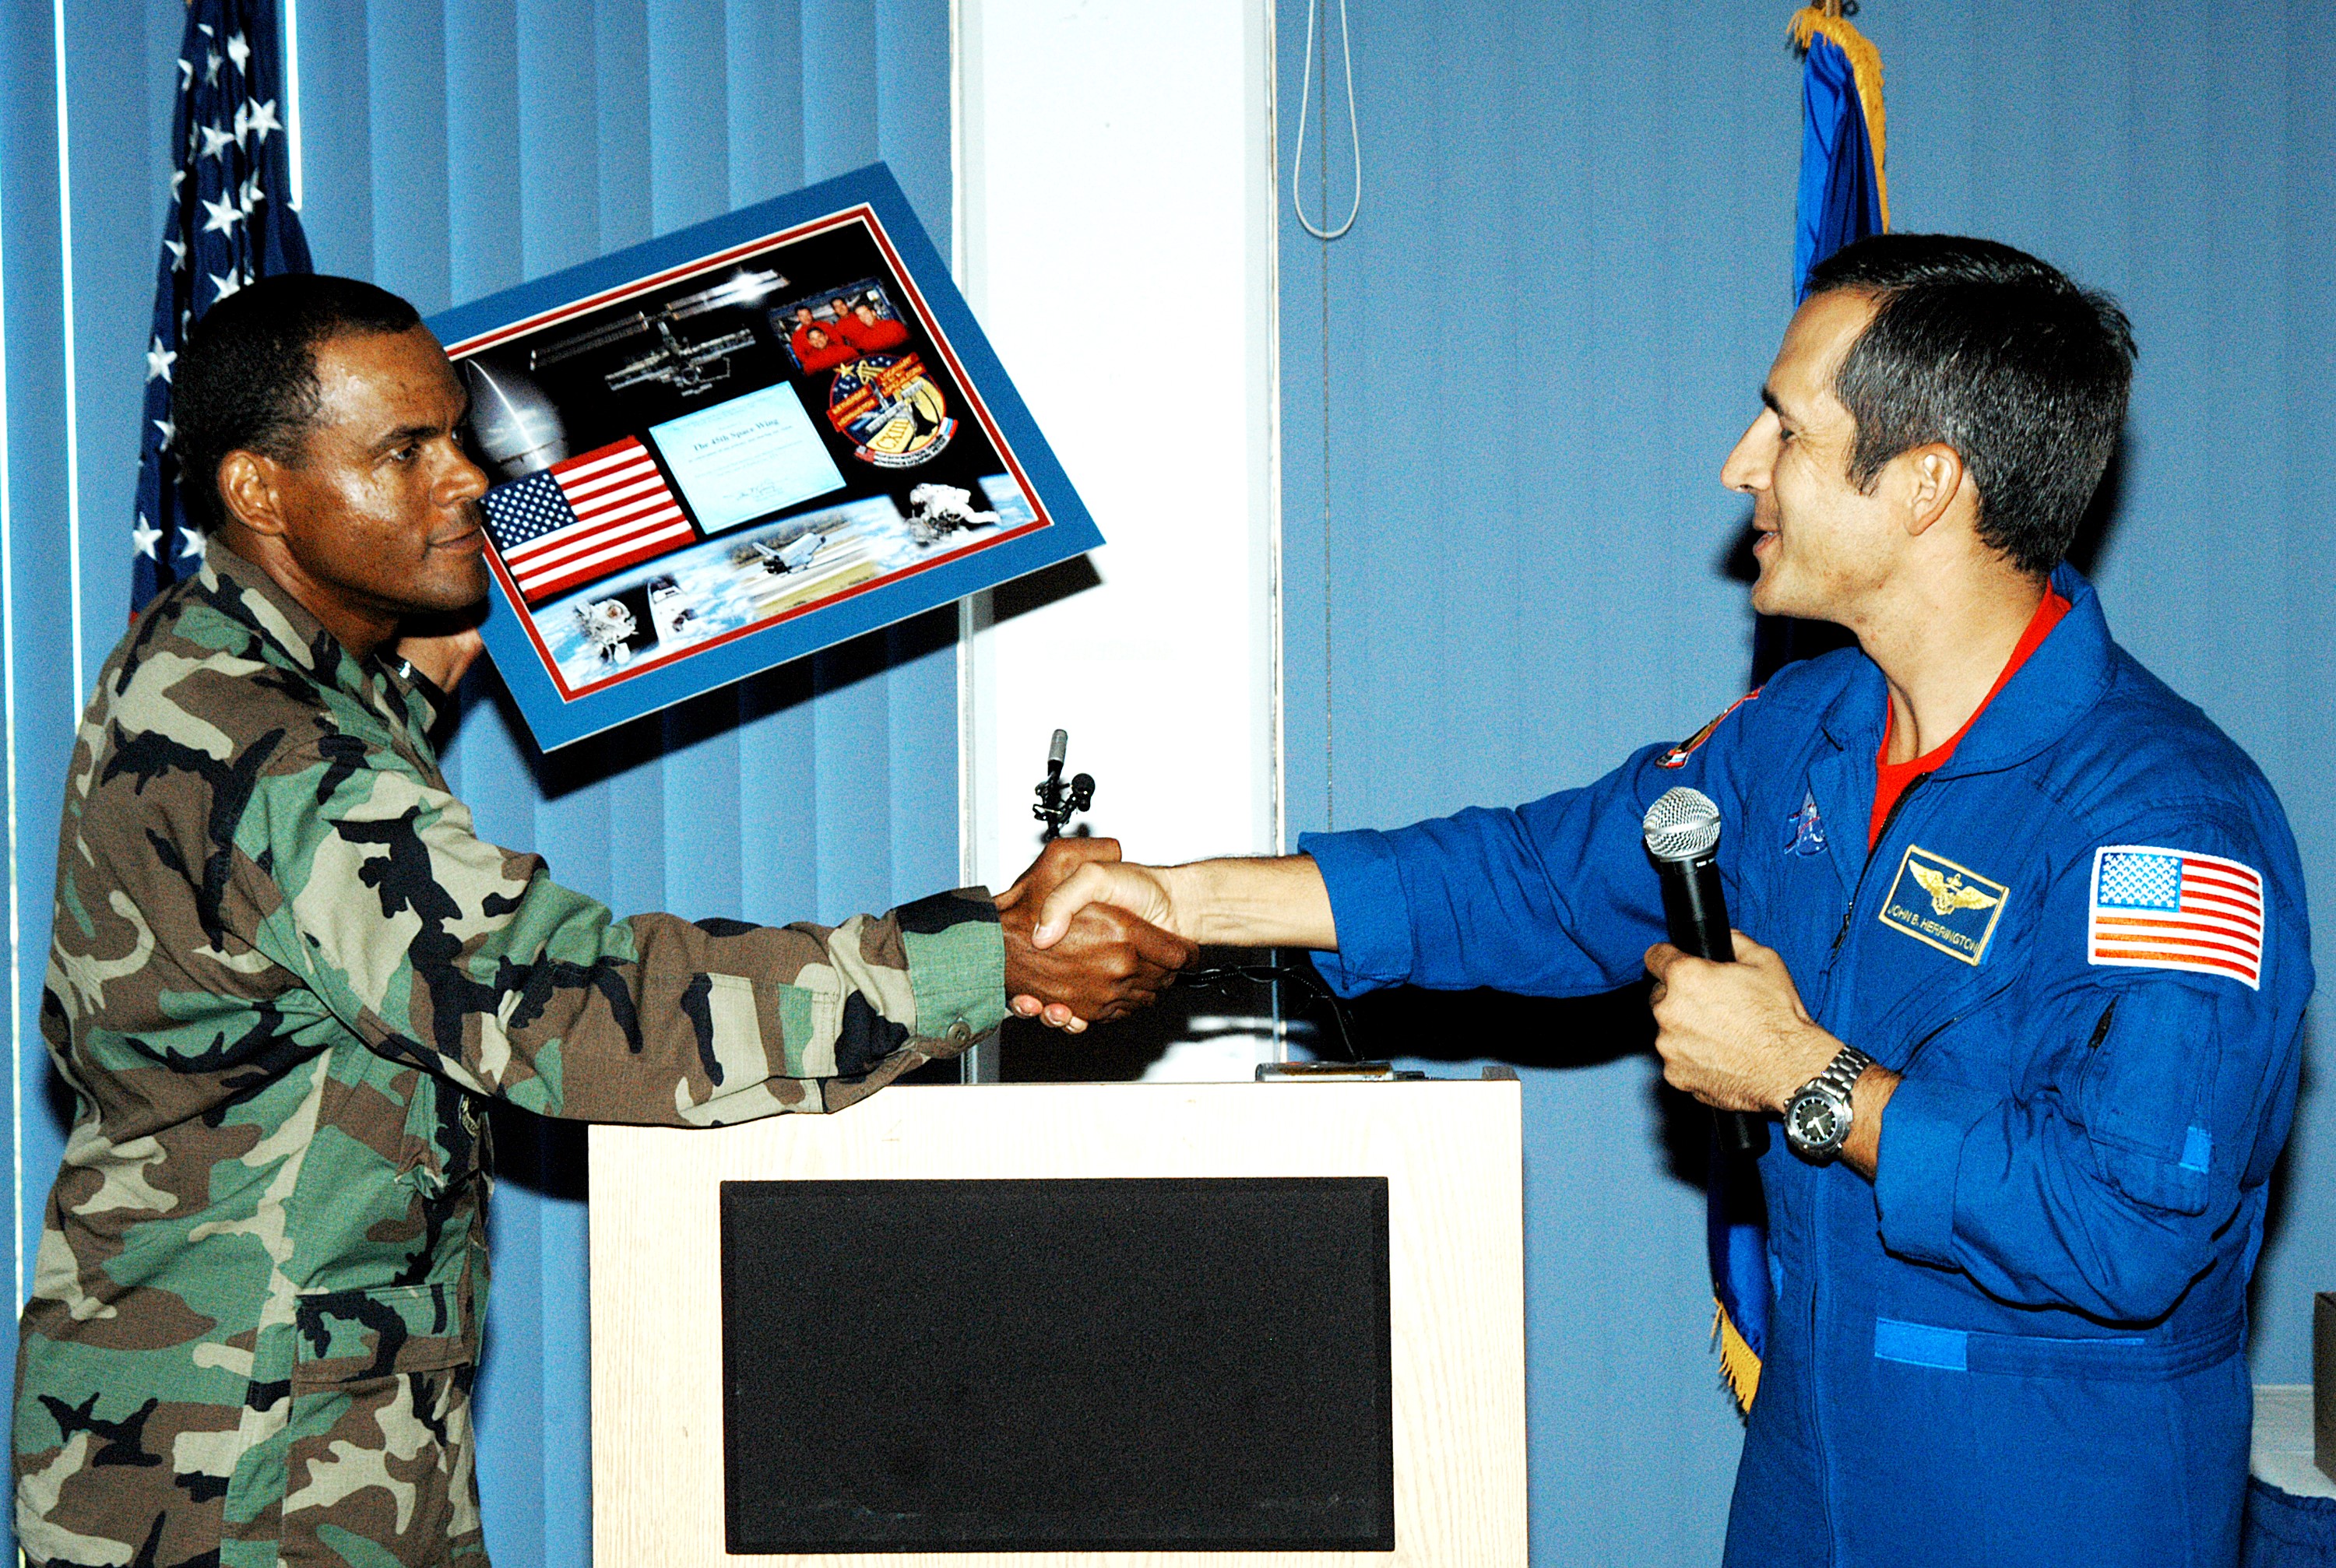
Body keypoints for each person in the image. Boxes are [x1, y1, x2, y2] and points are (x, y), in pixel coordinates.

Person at [1016, 235, 2313, 1566]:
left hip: (2050, 1503)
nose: (1741, 463)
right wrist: (1177, 895)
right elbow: (1534, 876)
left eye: (1788, 428)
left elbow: (2131, 1227)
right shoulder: (1807, 730)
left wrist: (1810, 1076)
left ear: (1924, 485)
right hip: (1813, 1477)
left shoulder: (2166, 824)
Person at [13, 275, 1192, 1568]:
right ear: (259, 492)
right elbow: (559, 1001)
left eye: (458, 433)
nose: (467, 480)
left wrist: (429, 664)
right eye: (403, 452)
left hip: (296, 1413)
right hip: (231, 1470)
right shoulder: (267, 742)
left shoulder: (253, 668)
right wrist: (989, 952)